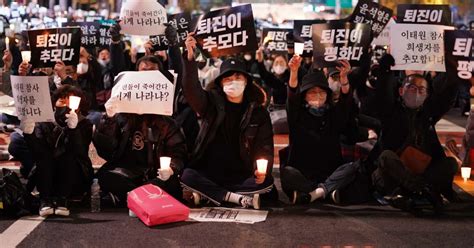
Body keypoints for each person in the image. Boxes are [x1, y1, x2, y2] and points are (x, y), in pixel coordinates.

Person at [180, 33, 274, 209]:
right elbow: (191, 89)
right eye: (228, 79)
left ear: (246, 81)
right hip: (210, 171)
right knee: (187, 175)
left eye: (238, 78)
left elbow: (265, 146)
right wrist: (190, 56)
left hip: (242, 174)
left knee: (267, 182)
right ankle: (236, 198)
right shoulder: (210, 103)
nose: (233, 82)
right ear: (221, 83)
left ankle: (209, 194)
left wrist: (262, 171)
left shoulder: (258, 113)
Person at [93, 54, 187, 204]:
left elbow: (178, 151)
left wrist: (171, 168)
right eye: (144, 71)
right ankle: (141, 197)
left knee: (172, 185)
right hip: (124, 171)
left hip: (154, 174)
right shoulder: (122, 113)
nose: (147, 75)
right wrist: (108, 119)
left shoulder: (165, 120)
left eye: (152, 71)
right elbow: (106, 150)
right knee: (105, 177)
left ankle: (127, 198)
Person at [371, 54, 460, 212]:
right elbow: (382, 96)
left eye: (421, 89)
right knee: (386, 157)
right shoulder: (391, 111)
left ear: (427, 95)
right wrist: (386, 70)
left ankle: (416, 190)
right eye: (411, 88)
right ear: (400, 90)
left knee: (450, 164)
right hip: (392, 176)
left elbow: (446, 96)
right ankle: (422, 191)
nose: (416, 92)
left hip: (420, 171)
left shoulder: (428, 114)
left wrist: (451, 65)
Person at [281, 54, 356, 204]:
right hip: (302, 173)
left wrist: (344, 79)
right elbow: (292, 98)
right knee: (288, 173)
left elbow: (345, 104)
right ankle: (327, 191)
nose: (318, 96)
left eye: (321, 92)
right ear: (304, 96)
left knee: (353, 168)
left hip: (329, 171)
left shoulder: (333, 114)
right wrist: (294, 72)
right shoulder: (297, 115)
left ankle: (312, 194)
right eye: (312, 92)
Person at [21, 85, 93, 217]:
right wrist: (29, 134)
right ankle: (45, 200)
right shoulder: (44, 123)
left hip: (73, 176)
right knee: (44, 157)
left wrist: (73, 130)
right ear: (53, 104)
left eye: (70, 101)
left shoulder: (85, 124)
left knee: (68, 155)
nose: (65, 104)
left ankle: (62, 201)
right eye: (61, 101)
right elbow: (37, 151)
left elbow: (81, 151)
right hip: (47, 176)